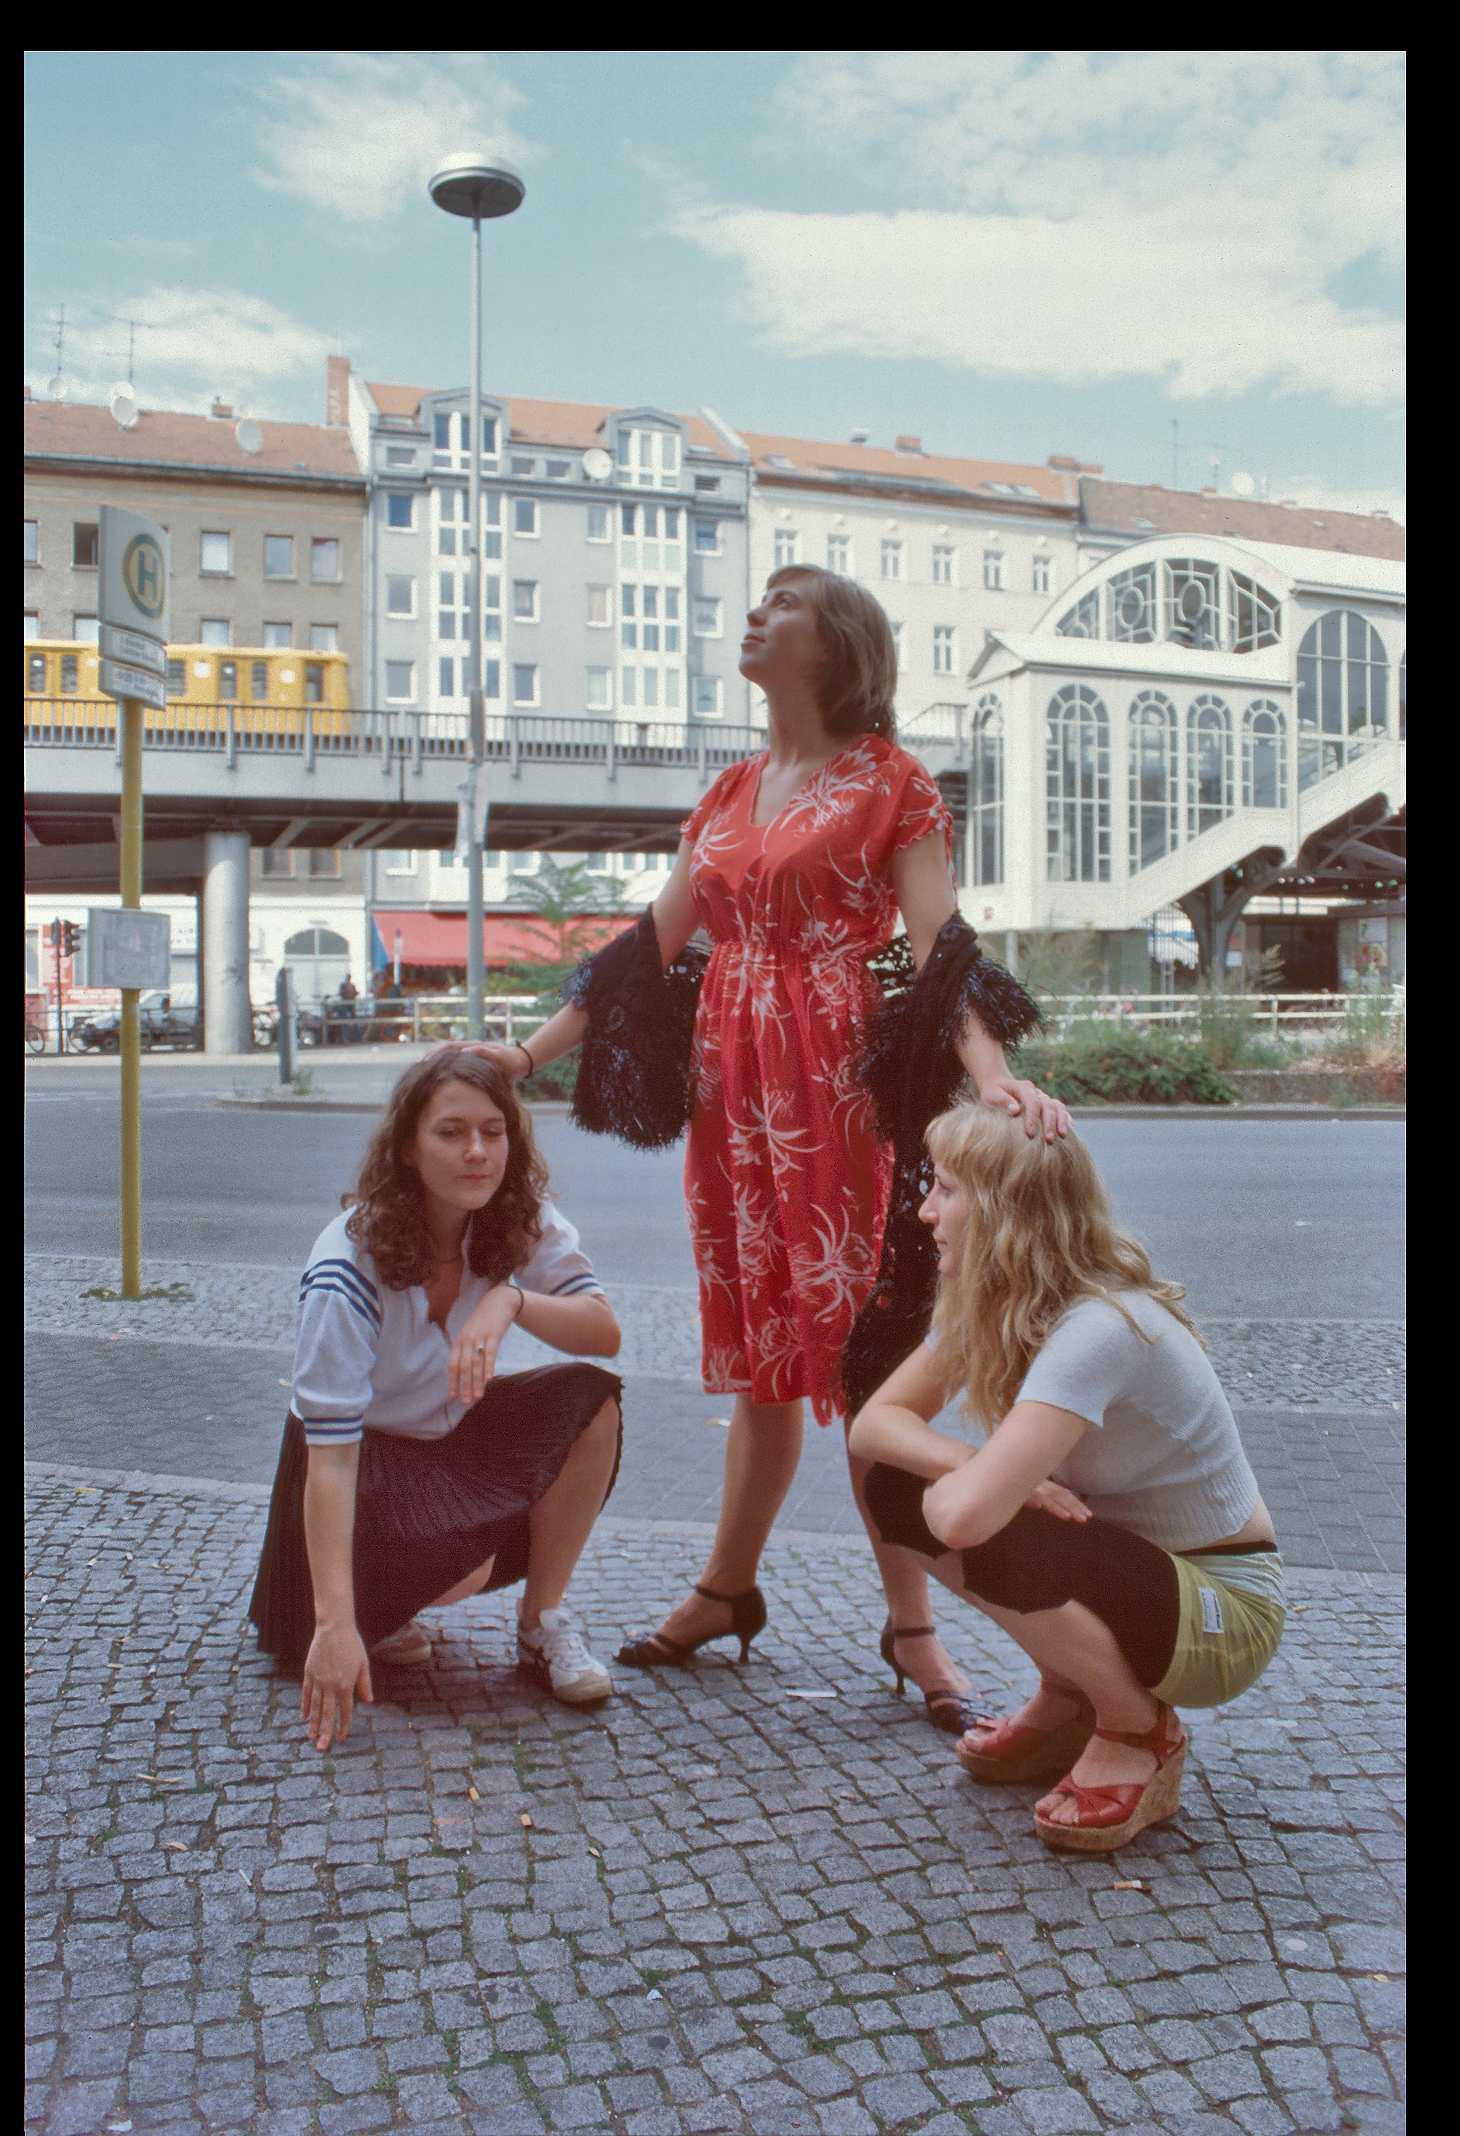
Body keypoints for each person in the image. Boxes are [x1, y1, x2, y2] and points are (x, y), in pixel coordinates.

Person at [465, 565, 1067, 1731]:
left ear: (836, 641)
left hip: (836, 1082)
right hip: (733, 1091)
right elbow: (649, 947)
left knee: (860, 1360)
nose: (752, 612)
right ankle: (725, 1590)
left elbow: (938, 946)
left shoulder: (892, 781)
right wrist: (524, 1058)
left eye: (779, 600)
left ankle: (913, 1625)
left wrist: (991, 1075)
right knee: (761, 1361)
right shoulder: (729, 788)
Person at [849, 1104, 1285, 1852]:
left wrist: (994, 1486)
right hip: (1131, 1569)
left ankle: (1138, 1730)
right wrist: (972, 1466)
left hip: (1225, 1611)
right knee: (899, 1487)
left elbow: (962, 1522)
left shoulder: (1099, 1328)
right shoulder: (998, 1302)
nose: (925, 1211)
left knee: (995, 1526)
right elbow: (872, 1428)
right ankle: (1069, 1695)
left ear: (1002, 1210)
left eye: (946, 1190)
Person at [249, 1048, 624, 1753]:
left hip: (445, 1435)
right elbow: (329, 1461)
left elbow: (603, 1330)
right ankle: (372, 1607)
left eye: (493, 1131)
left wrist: (512, 1299)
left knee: (591, 1402)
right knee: (465, 1562)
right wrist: (334, 1627)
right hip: (362, 1464)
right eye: (451, 1133)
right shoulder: (345, 1265)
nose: (477, 1152)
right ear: (409, 1150)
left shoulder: (515, 1216)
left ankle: (541, 1626)